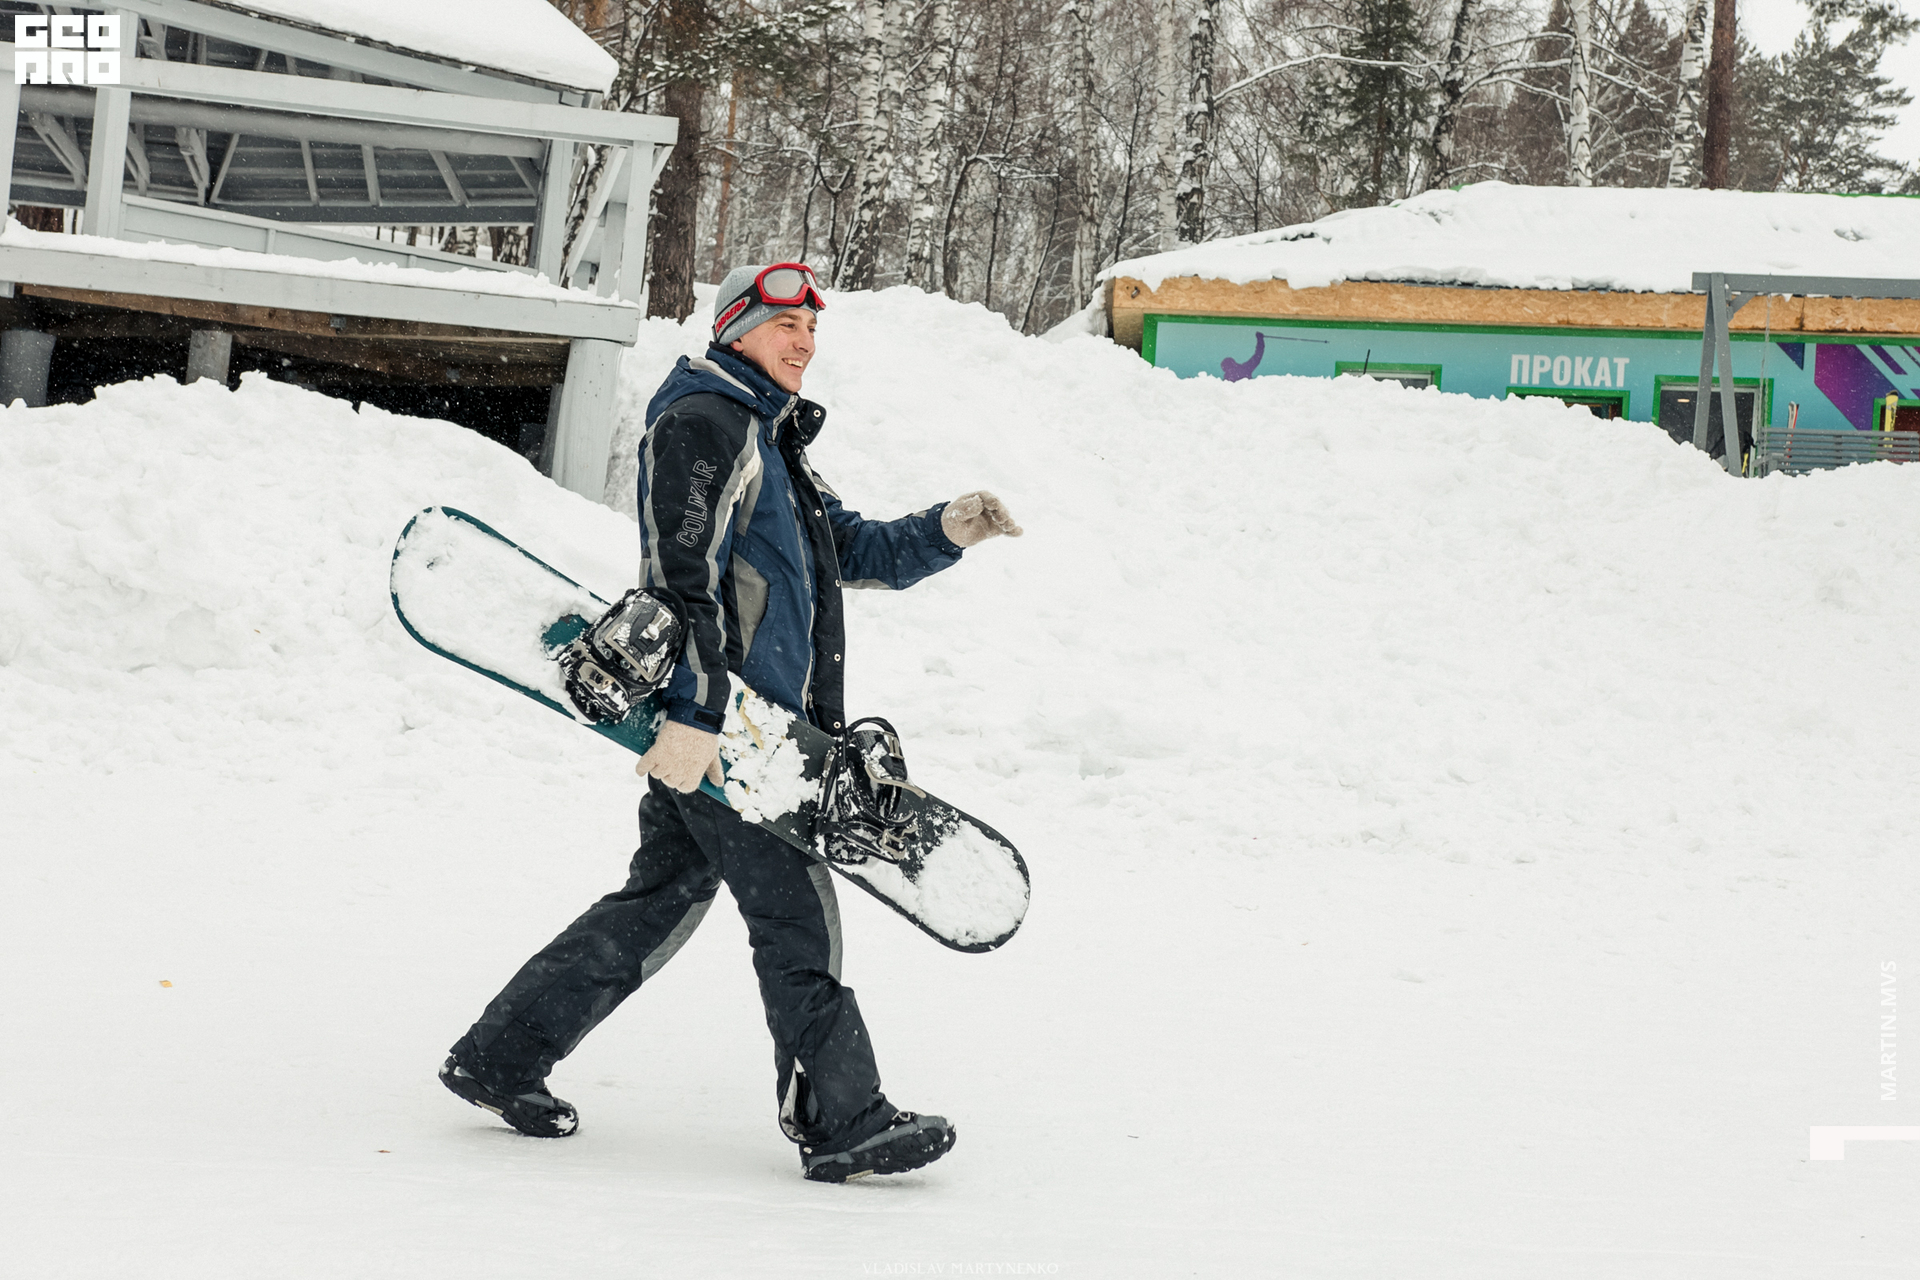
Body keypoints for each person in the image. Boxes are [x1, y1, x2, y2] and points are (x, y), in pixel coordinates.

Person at [438, 262, 1022, 1183]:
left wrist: (946, 529)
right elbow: (684, 580)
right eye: (785, 325)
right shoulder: (704, 422)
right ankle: (843, 1119)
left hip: (744, 729)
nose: (804, 343)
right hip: (732, 731)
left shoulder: (767, 434)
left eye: (812, 331)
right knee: (795, 915)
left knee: (657, 902)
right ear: (737, 327)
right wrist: (697, 715)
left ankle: (500, 1057)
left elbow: (851, 549)